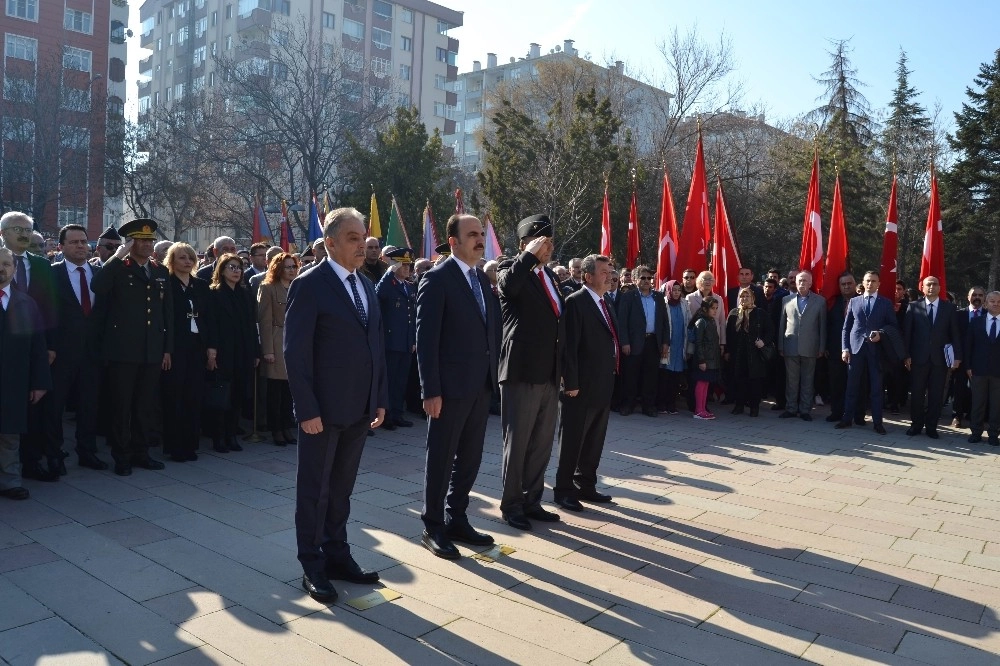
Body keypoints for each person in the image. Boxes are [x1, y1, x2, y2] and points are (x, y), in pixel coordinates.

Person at [285, 207, 387, 603]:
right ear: (329, 242)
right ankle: (312, 564)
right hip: (322, 411)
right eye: (352, 238)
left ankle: (338, 555)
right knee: (315, 489)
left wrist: (379, 398)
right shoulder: (310, 284)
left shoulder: (365, 284)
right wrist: (306, 409)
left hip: (359, 408)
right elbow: (296, 352)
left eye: (363, 238)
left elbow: (374, 346)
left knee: (342, 488)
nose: (362, 245)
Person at [415, 214, 500, 559]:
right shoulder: (437, 279)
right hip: (448, 389)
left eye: (481, 234)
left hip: (479, 385)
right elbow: (426, 338)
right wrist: (430, 389)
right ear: (453, 241)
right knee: (441, 456)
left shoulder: (480, 278)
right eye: (473, 235)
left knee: (470, 456)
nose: (480, 240)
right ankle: (433, 526)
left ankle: (457, 517)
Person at [496, 214, 564, 530]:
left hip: (549, 372)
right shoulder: (510, 267)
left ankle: (532, 500)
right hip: (521, 371)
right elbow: (509, 289)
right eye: (542, 242)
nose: (548, 247)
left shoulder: (550, 277)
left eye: (550, 242)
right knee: (519, 442)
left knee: (541, 443)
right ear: (526, 243)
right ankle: (511, 505)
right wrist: (527, 256)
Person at [90, 218, 172, 476]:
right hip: (123, 350)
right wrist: (116, 257)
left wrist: (166, 348)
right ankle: (121, 455)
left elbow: (166, 313)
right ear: (131, 242)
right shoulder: (119, 268)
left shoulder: (159, 271)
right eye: (142, 240)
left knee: (144, 406)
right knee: (122, 406)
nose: (148, 245)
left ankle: (141, 452)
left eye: (151, 240)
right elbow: (98, 286)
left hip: (152, 349)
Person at [555, 254, 619, 512]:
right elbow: (568, 346)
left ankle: (586, 485)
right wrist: (571, 381)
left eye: (611, 271)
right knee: (573, 440)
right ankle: (563, 490)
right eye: (604, 272)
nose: (610, 276)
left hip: (603, 382)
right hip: (579, 386)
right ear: (588, 276)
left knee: (594, 439)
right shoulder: (576, 302)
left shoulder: (606, 302)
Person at [45, 224, 107, 473]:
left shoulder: (98, 273)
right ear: (61, 247)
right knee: (55, 406)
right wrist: (49, 347)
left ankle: (87, 451)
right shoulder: (51, 274)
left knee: (89, 404)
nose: (81, 246)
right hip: (60, 353)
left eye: (83, 241)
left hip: (92, 353)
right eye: (74, 242)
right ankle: (53, 454)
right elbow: (44, 314)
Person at [0, 248, 51, 500]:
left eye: (7, 264)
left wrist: (39, 382)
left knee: (9, 434)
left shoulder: (25, 302)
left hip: (13, 381)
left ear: (14, 268)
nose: (2, 269)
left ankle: (10, 481)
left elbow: (38, 347)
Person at [205, 253, 260, 453]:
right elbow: (210, 324)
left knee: (237, 395)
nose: (236, 271)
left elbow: (251, 325)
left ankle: (231, 435)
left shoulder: (244, 294)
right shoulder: (214, 293)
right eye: (232, 267)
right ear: (222, 270)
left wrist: (255, 352)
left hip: (243, 351)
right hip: (223, 350)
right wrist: (212, 351)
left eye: (239, 267)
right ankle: (219, 437)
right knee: (222, 395)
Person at [161, 243, 210, 462]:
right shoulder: (167, 284)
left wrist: (211, 348)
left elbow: (209, 318)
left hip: (197, 346)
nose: (187, 262)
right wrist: (166, 350)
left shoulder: (200, 285)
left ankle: (190, 444)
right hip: (175, 347)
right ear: (171, 261)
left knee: (193, 395)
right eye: (182, 258)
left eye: (190, 258)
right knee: (174, 396)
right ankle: (174, 445)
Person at [836, 271, 898, 435]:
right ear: (863, 283)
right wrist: (845, 348)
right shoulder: (854, 302)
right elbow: (846, 327)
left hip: (876, 350)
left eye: (874, 281)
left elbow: (893, 326)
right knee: (852, 386)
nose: (870, 284)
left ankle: (878, 423)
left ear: (879, 284)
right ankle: (846, 418)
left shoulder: (885, 303)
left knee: (876, 388)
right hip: (855, 349)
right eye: (868, 281)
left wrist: (881, 334)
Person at [903, 276, 962, 439]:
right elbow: (907, 334)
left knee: (936, 395)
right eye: (928, 284)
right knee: (916, 393)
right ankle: (916, 425)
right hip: (918, 358)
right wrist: (906, 355)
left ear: (939, 287)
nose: (931, 287)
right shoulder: (913, 306)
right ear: (922, 287)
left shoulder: (949, 308)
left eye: (935, 284)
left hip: (940, 360)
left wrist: (957, 357)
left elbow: (955, 334)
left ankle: (931, 427)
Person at [258, 252, 300, 446]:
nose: (291, 270)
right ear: (278, 268)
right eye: (288, 267)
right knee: (276, 390)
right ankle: (276, 429)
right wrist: (268, 350)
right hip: (276, 340)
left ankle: (286, 426)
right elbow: (264, 321)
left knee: (290, 390)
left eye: (294, 266)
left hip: (295, 342)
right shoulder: (268, 288)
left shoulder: (298, 286)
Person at [616, 264, 669, 417]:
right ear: (635, 279)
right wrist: (624, 342)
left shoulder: (658, 297)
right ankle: (628, 404)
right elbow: (622, 321)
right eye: (643, 278)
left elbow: (664, 322)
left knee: (651, 375)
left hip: (653, 342)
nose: (647, 281)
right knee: (631, 375)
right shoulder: (628, 297)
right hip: (633, 343)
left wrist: (665, 342)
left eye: (649, 278)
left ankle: (649, 406)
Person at [376, 247, 417, 431]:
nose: (407, 268)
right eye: (403, 264)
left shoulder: (408, 286)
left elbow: (412, 316)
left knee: (401, 380)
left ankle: (397, 413)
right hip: (391, 341)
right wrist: (388, 273)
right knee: (390, 380)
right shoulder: (388, 284)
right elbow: (379, 295)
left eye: (409, 264)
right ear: (395, 265)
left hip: (406, 342)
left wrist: (413, 340)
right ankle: (386, 416)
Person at [777, 271, 827, 421]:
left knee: (808, 380)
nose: (802, 283)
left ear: (811, 283)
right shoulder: (786, 299)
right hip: (790, 345)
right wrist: (781, 344)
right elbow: (782, 324)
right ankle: (791, 408)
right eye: (799, 280)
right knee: (791, 381)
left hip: (811, 347)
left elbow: (822, 326)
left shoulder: (820, 301)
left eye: (805, 280)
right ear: (795, 282)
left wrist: (821, 347)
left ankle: (805, 410)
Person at [725, 287, 773, 417]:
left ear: (753, 298)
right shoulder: (734, 313)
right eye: (742, 296)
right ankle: (739, 405)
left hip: (755, 353)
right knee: (739, 380)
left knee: (755, 381)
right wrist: (727, 350)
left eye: (747, 297)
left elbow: (770, 331)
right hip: (738, 352)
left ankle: (754, 407)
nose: (744, 299)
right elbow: (728, 334)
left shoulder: (760, 313)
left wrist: (763, 341)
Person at [826, 272, 863, 424]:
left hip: (858, 349)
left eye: (849, 283)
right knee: (836, 382)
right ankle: (836, 412)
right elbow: (828, 326)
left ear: (855, 284)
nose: (847, 286)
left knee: (858, 384)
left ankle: (858, 415)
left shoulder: (862, 301)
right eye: (843, 284)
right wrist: (826, 346)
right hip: (835, 350)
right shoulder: (833, 303)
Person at [966, 291, 1000, 446]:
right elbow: (969, 346)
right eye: (992, 301)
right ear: (986, 303)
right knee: (978, 403)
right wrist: (968, 366)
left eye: (999, 301)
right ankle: (976, 432)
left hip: (998, 372)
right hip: (978, 369)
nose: (996, 304)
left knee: (996, 404)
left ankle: (994, 434)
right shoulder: (976, 322)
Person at [952, 286, 986, 428]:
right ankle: (956, 416)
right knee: (959, 387)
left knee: (978, 389)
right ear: (968, 297)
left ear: (984, 298)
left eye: (980, 295)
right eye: (974, 295)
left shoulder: (989, 315)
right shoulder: (958, 315)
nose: (977, 298)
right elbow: (954, 336)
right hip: (961, 357)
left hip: (981, 359)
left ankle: (974, 416)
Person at [657, 279, 690, 415]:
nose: (676, 293)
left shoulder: (684, 303)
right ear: (668, 290)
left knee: (676, 377)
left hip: (680, 344)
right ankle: (661, 404)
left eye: (678, 290)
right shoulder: (663, 303)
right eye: (673, 290)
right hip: (667, 344)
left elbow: (688, 321)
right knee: (665, 376)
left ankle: (671, 404)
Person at [691, 297, 722, 419]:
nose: (715, 311)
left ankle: (703, 408)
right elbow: (699, 343)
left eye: (716, 308)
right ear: (705, 308)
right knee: (701, 383)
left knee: (706, 383)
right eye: (712, 308)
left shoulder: (711, 321)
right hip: (703, 359)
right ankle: (698, 410)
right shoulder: (701, 322)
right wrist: (701, 360)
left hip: (711, 358)